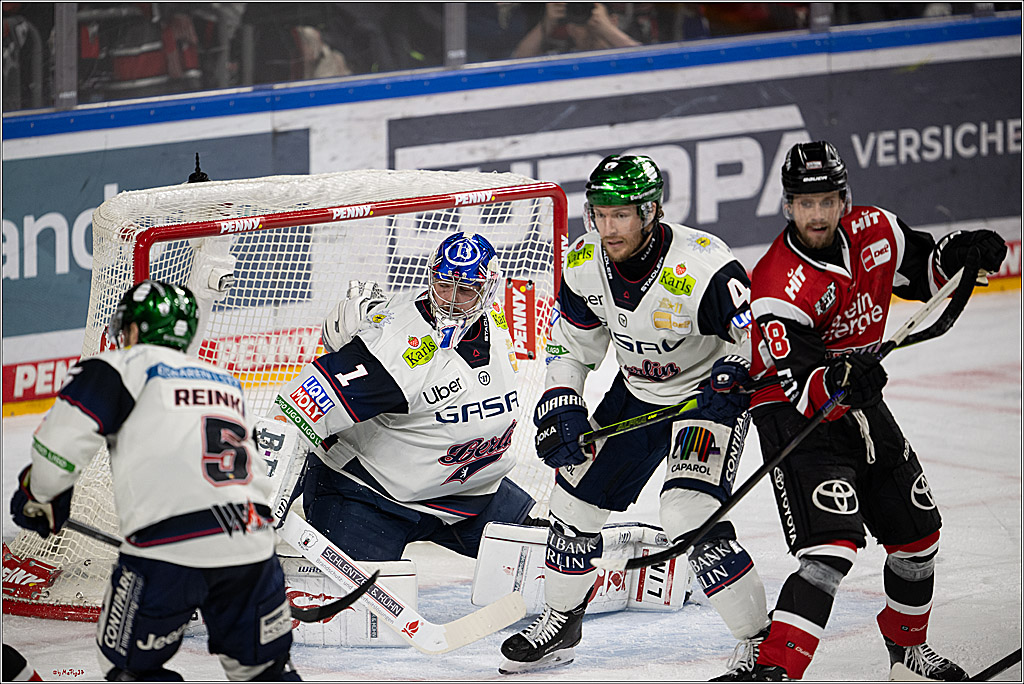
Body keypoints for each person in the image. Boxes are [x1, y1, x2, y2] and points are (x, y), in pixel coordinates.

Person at [498, 154, 771, 677]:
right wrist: (563, 400)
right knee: (572, 505)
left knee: (688, 514)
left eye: (621, 215)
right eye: (600, 214)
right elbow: (572, 348)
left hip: (701, 403)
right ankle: (562, 618)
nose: (608, 227)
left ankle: (759, 641)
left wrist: (733, 377)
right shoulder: (583, 263)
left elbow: (756, 339)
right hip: (637, 394)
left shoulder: (706, 266)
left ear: (650, 213)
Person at [745, 141, 1008, 681]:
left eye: (826, 201)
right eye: (804, 202)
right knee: (829, 552)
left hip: (861, 400)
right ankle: (773, 669)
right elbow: (801, 383)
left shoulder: (877, 232)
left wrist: (962, 253)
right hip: (794, 414)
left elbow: (925, 272)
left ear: (844, 199)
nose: (816, 214)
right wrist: (840, 377)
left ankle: (907, 653)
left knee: (919, 538)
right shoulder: (776, 284)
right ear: (788, 206)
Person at [9, 280, 300, 682]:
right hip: (251, 544)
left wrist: (38, 495)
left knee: (129, 667)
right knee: (263, 670)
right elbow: (254, 471)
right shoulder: (223, 380)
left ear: (134, 329)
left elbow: (55, 451)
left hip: (168, 548)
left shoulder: (118, 368)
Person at [273, 232, 536, 563]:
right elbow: (295, 407)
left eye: (466, 289)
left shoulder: (495, 319)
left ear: (488, 290)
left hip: (468, 495)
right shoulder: (394, 350)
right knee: (354, 610)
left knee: (553, 563)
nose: (452, 300)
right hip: (373, 497)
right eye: (443, 285)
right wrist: (262, 498)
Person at [511, 3, 640, 58]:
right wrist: (547, 23)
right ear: (571, 29)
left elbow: (650, 63)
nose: (588, 25)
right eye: (581, 21)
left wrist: (609, 31)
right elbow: (518, 61)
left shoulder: (625, 55)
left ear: (613, 22)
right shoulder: (562, 59)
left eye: (594, 15)